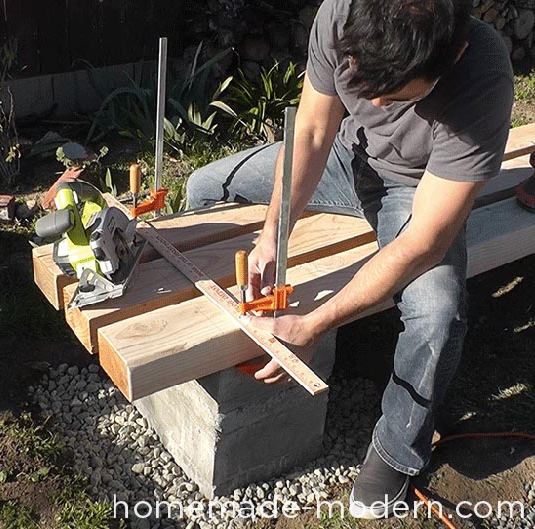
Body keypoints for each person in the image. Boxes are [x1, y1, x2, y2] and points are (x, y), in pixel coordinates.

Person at [186, 0, 513, 519]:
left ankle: (396, 449)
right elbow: (314, 132)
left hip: (416, 187)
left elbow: (424, 239)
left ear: (453, 56)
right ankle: (193, 353)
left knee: (437, 312)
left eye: (395, 96)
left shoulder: (482, 73)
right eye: (366, 87)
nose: (376, 105)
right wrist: (274, 232)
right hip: (344, 155)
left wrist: (317, 321)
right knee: (205, 187)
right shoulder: (343, 13)